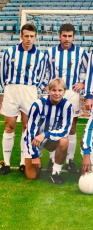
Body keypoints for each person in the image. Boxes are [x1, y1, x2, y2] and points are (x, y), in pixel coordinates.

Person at [0, 23, 45, 175]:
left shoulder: (40, 55)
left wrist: (33, 88)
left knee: (27, 127)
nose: (28, 39)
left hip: (29, 91)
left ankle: (21, 162)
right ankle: (5, 162)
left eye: (32, 36)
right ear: (21, 36)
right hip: (12, 90)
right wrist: (7, 88)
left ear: (35, 37)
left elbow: (41, 74)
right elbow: (2, 73)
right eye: (26, 36)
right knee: (9, 126)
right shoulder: (9, 52)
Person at [43, 23, 89, 173]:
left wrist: (83, 83)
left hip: (71, 93)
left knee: (72, 127)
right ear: (59, 36)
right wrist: (45, 85)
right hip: (55, 92)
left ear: (73, 37)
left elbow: (91, 71)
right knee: (52, 125)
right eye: (64, 36)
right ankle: (52, 159)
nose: (67, 39)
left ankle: (69, 160)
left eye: (70, 36)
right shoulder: (50, 52)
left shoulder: (81, 52)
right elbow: (41, 70)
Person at [24, 78, 72, 184]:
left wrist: (45, 134)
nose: (57, 93)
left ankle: (55, 173)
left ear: (64, 91)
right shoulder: (37, 105)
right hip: (34, 140)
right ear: (49, 91)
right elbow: (29, 131)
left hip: (49, 139)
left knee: (64, 141)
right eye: (54, 90)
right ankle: (34, 161)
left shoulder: (67, 106)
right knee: (31, 176)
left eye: (60, 90)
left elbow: (65, 130)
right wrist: (35, 156)